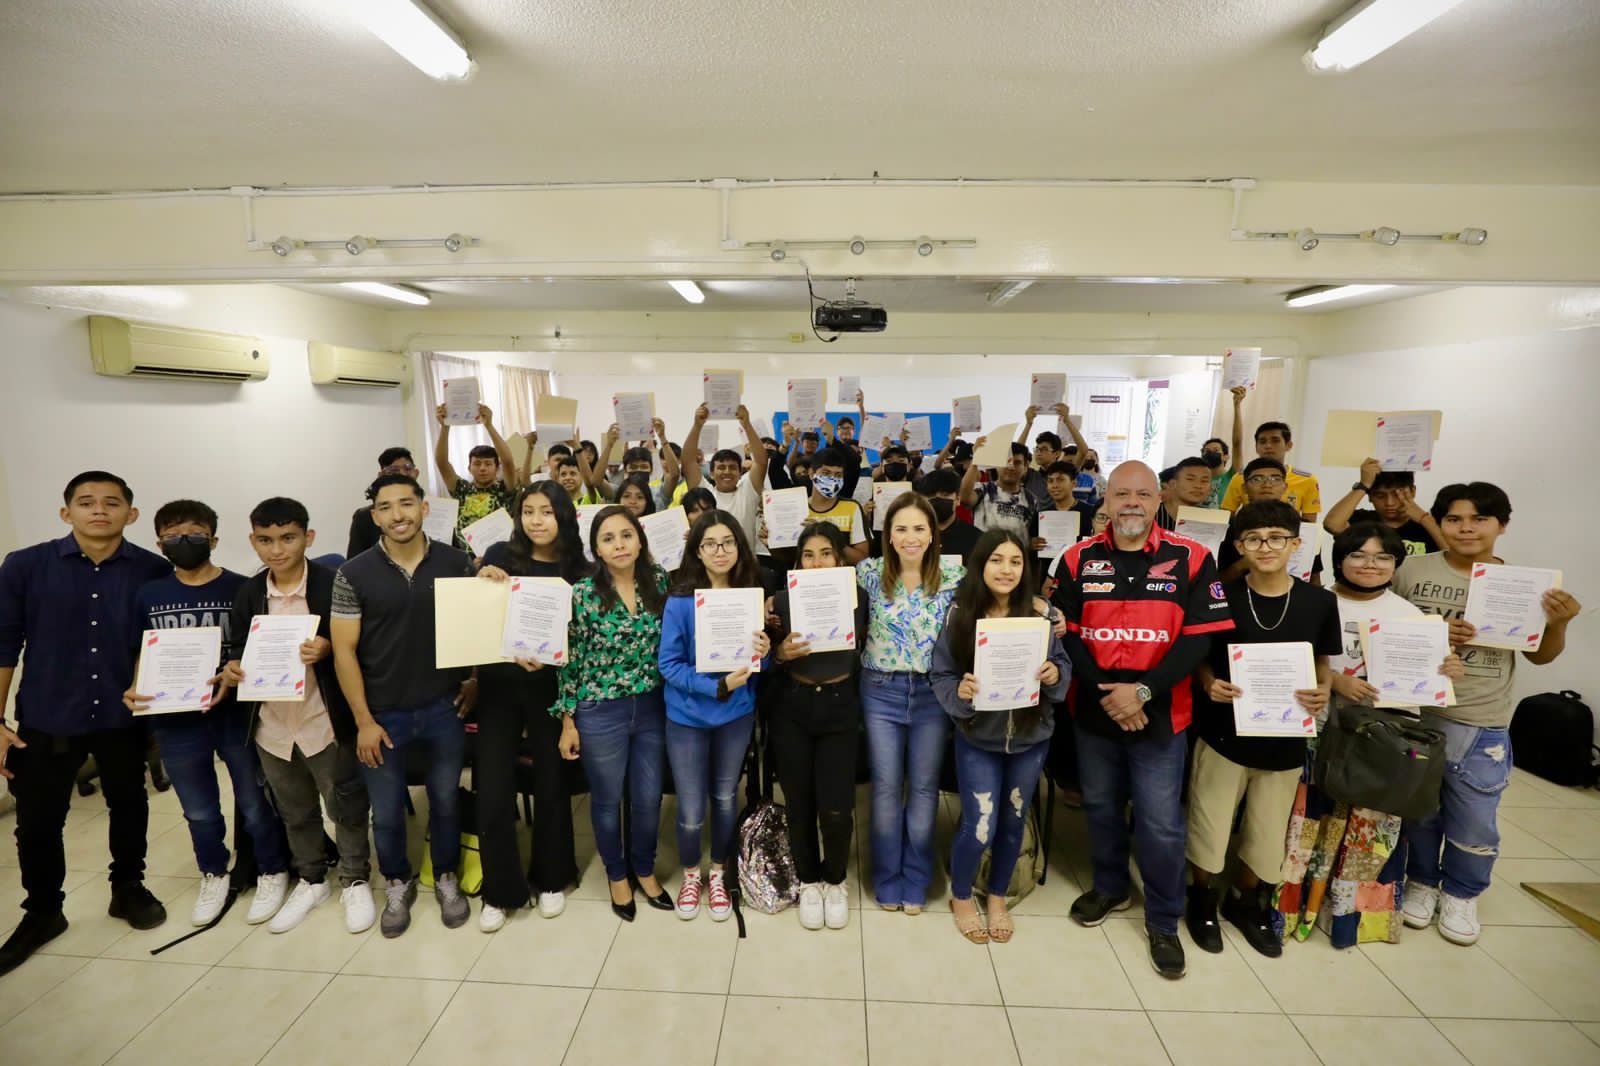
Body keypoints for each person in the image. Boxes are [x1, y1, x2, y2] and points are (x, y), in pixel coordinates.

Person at [1051, 461, 1231, 980]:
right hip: (1095, 708)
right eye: (1121, 494)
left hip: (1161, 711)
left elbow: (1200, 637)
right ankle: (1110, 887)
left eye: (1143, 494)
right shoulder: (1076, 559)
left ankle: (1163, 919)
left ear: (1160, 499)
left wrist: (1144, 693)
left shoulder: (1193, 558)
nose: (1132, 503)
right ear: (1104, 500)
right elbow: (1067, 632)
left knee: (1159, 822)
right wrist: (1111, 696)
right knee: (1102, 806)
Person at [0, 472, 175, 975]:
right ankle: (43, 912)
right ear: (66, 513)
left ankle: (128, 888)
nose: (99, 510)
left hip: (123, 716)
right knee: (37, 821)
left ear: (131, 514)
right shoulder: (26, 566)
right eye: (86, 502)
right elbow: (4, 642)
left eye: (112, 502)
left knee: (130, 804)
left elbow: (157, 644)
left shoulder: (152, 570)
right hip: (49, 713)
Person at [1394, 482, 1581, 946]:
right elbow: (1386, 630)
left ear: (1502, 525)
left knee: (1476, 816)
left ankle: (1462, 892)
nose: (1466, 528)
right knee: (1420, 812)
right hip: (1416, 712)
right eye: (1454, 519)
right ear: (1439, 523)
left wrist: (1557, 623)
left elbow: (1541, 657)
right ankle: (1421, 882)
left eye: (1479, 519)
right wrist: (1437, 633)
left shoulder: (1521, 586)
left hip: (1482, 719)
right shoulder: (1411, 571)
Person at [1276, 522, 1464, 948]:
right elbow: (1280, 662)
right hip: (1320, 731)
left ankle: (1349, 919)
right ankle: (1294, 910)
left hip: (1383, 743)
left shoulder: (1411, 616)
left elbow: (1433, 678)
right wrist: (1336, 682)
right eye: (1359, 555)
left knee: (1370, 831)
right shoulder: (1312, 603)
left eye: (1383, 557)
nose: (1370, 565)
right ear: (1340, 559)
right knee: (1309, 824)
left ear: (1395, 564)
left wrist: (1449, 669)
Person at [1183, 500, 1340, 958]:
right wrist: (1209, 683)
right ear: (1238, 546)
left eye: (1276, 538)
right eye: (1253, 539)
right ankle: (1203, 900)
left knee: (1268, 831)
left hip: (1285, 736)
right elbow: (1201, 660)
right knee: (1208, 824)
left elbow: (1322, 661)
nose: (1265, 547)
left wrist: (1324, 688)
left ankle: (1244, 902)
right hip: (1224, 732)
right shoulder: (1221, 599)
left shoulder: (1318, 601)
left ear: (1296, 543)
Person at [124, 500, 290, 928]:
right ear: (160, 543)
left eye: (194, 534)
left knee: (254, 801)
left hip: (236, 714)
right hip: (176, 719)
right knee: (199, 808)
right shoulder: (149, 594)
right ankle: (213, 872)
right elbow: (141, 651)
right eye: (174, 536)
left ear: (213, 539)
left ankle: (271, 870)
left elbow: (261, 647)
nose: (184, 543)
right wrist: (137, 684)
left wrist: (241, 672)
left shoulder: (242, 589)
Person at [218, 498, 375, 934]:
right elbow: (235, 651)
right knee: (294, 809)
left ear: (308, 538)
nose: (276, 549)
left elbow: (363, 643)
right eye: (265, 540)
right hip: (272, 723)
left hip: (323, 717)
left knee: (344, 804)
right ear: (253, 541)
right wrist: (231, 669)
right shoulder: (250, 593)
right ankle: (311, 878)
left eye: (287, 538)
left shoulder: (332, 583)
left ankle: (355, 877)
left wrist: (328, 648)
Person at [331, 473, 477, 938]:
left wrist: (474, 679)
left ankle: (448, 875)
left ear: (423, 508)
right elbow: (343, 652)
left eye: (407, 504)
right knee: (388, 809)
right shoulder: (352, 573)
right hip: (382, 716)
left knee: (447, 799)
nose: (399, 515)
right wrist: (363, 722)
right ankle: (396, 881)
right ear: (375, 515)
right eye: (387, 507)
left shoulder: (457, 562)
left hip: (443, 708)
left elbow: (475, 627)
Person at [931, 529, 1069, 944]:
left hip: (1030, 738)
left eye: (1015, 561)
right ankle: (960, 894)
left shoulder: (1040, 615)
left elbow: (1063, 668)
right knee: (979, 825)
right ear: (980, 565)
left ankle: (995, 896)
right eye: (996, 560)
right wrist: (960, 694)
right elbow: (941, 674)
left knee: (1013, 822)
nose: (1006, 569)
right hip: (979, 740)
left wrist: (1054, 674)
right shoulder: (960, 614)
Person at [471, 483, 591, 931]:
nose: (536, 520)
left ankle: (554, 876)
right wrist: (483, 583)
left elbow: (584, 638)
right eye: (528, 511)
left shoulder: (581, 568)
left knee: (551, 781)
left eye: (546, 511)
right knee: (495, 785)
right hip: (501, 685)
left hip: (553, 689)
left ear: (564, 515)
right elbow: (479, 621)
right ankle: (499, 890)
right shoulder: (501, 555)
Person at [557, 506, 673, 921]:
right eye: (608, 538)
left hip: (652, 706)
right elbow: (570, 660)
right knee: (607, 800)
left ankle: (644, 868)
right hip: (599, 710)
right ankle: (617, 874)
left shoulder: (659, 581)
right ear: (596, 549)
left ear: (640, 540)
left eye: (627, 535)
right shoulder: (583, 593)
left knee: (647, 797)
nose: (619, 544)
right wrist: (568, 720)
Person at [658, 511, 772, 921]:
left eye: (728, 542)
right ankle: (693, 875)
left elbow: (760, 670)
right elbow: (668, 665)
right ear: (697, 551)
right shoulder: (679, 601)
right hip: (687, 717)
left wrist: (764, 654)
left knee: (725, 798)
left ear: (740, 548)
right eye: (711, 544)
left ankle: (720, 874)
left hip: (735, 717)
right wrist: (715, 686)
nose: (720, 551)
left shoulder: (750, 595)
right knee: (690, 808)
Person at [857, 493, 965, 913]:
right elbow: (817, 590)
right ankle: (887, 877)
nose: (910, 537)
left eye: (919, 528)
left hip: (931, 695)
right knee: (885, 788)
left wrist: (1044, 607)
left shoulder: (954, 574)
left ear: (933, 533)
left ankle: (916, 878)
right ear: (888, 534)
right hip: (880, 691)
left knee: (923, 789)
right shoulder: (870, 571)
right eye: (900, 528)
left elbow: (997, 600)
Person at [770, 523, 868, 931]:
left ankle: (835, 879)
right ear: (798, 561)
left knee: (836, 806)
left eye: (826, 553)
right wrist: (779, 653)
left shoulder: (858, 598)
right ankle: (808, 880)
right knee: (798, 802)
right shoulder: (779, 601)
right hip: (794, 704)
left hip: (840, 705)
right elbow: (762, 659)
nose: (817, 562)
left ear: (841, 557)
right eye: (808, 555)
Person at [1215, 458, 1324, 586]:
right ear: (1244, 488)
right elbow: (1215, 582)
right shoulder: (1227, 528)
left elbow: (1314, 577)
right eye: (1257, 479)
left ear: (1285, 487)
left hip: (1294, 598)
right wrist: (1243, 564)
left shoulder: (1304, 528)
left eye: (1275, 479)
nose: (1267, 484)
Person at [433, 401, 519, 551]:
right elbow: (441, 462)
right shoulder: (462, 489)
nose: (483, 468)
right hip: (465, 556)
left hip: (499, 553)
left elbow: (508, 462)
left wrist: (489, 426)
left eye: (488, 464)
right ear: (469, 467)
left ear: (497, 468)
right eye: (477, 464)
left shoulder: (505, 489)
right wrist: (445, 427)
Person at [683, 404, 769, 554]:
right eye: (721, 467)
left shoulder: (748, 490)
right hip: (709, 564)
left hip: (744, 567)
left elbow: (761, 461)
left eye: (732, 467)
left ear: (740, 472)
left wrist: (746, 425)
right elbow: (688, 461)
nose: (727, 472)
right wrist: (697, 425)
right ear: (711, 473)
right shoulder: (705, 492)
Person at [1321, 460, 1442, 559]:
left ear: (1413, 491)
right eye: (1380, 496)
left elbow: (1456, 557)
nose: (1389, 503)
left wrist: (1425, 519)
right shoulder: (1362, 521)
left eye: (1396, 494)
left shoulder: (1431, 526)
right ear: (1369, 496)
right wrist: (1363, 485)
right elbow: (1332, 525)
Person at [1220, 420, 1321, 521]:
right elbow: (1226, 516)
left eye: (1275, 441)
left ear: (1288, 445)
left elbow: (1309, 524)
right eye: (1262, 442)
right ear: (1256, 447)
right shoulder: (1240, 478)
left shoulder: (1307, 480)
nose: (1268, 446)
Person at [799, 446, 870, 565]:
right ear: (811, 473)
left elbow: (862, 559)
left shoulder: (852, 508)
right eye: (826, 473)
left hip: (842, 579)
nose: (832, 479)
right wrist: (770, 542)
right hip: (805, 580)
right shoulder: (798, 508)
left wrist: (831, 538)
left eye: (838, 475)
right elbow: (787, 557)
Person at [347, 446, 419, 558]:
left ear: (416, 472)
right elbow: (353, 566)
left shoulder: (439, 510)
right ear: (381, 476)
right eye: (394, 470)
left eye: (408, 468)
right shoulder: (364, 517)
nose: (403, 474)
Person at [963, 441, 1036, 538]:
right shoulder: (983, 489)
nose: (1011, 467)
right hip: (984, 552)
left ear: (1026, 467)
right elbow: (964, 498)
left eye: (1017, 463)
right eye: (1007, 461)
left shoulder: (1031, 500)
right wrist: (975, 460)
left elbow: (1030, 535)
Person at [915, 468, 981, 564]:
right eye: (930, 495)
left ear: (957, 499)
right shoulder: (910, 538)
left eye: (945, 494)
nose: (937, 499)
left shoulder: (977, 540)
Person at [1038, 461, 1096, 538]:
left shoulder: (1090, 513)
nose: (1054, 485)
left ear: (1074, 483)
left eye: (1060, 480)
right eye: (1050, 481)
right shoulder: (1042, 515)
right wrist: (1034, 544)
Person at [1156, 457, 1214, 530]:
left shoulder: (1213, 521)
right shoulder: (1151, 515)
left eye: (1204, 481)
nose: (1198, 486)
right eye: (1190, 479)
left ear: (1210, 489)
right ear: (1173, 484)